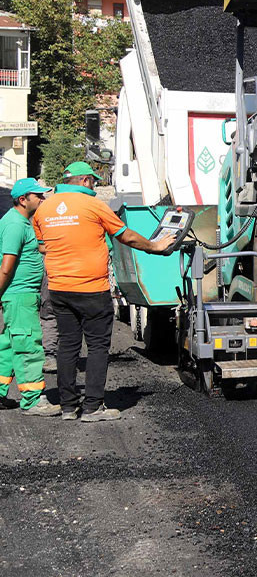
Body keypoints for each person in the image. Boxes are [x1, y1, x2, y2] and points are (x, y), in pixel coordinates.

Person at [33, 161, 175, 422]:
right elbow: (126, 236)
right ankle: (92, 408)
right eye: (94, 182)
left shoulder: (44, 209)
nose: (95, 187)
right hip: (91, 288)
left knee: (67, 345)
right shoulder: (94, 205)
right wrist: (155, 246)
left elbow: (43, 246)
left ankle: (67, 407)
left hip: (59, 289)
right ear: (85, 181)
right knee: (98, 346)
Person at [0, 178, 58, 416]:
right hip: (20, 295)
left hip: (20, 295)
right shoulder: (15, 224)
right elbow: (7, 266)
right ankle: (33, 400)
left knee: (7, 346)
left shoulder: (22, 222)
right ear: (23, 200)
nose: (43, 199)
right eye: (39, 196)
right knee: (28, 346)